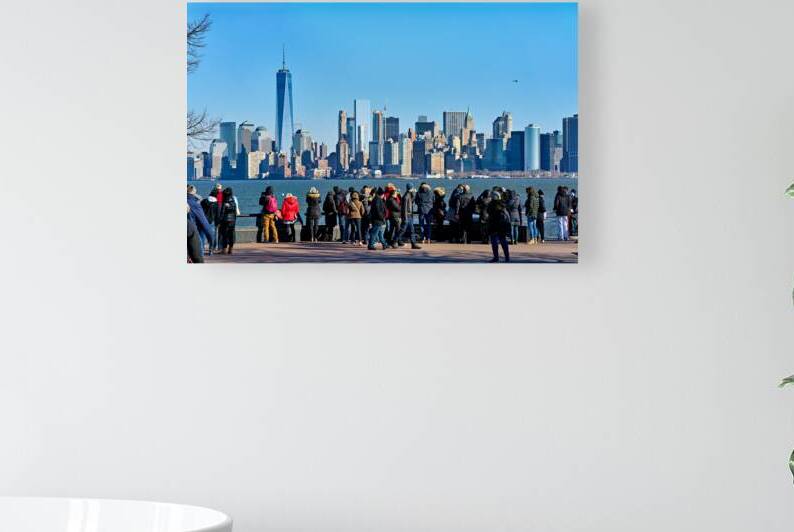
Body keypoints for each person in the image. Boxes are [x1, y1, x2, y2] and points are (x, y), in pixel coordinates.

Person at [187, 185, 213, 259]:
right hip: (192, 230)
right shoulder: (195, 204)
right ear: (194, 193)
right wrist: (211, 239)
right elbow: (204, 223)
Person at [486, 190, 511, 263]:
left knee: (494, 242)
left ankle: (496, 257)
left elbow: (488, 212)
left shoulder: (491, 204)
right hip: (502, 226)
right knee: (503, 241)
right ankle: (507, 257)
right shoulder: (503, 204)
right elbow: (507, 216)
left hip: (494, 225)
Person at [398, 183, 421, 249]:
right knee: (402, 230)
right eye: (412, 188)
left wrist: (414, 194)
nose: (413, 189)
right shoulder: (406, 196)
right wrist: (405, 218)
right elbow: (404, 208)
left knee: (412, 230)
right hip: (407, 216)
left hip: (409, 215)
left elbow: (412, 202)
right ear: (410, 188)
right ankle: (394, 240)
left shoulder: (409, 195)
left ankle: (413, 244)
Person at [218, 187, 239, 254]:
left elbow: (222, 212)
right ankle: (231, 248)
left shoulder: (224, 201)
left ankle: (224, 249)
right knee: (231, 234)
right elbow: (235, 211)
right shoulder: (233, 200)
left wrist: (220, 220)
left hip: (225, 220)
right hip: (232, 220)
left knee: (224, 235)